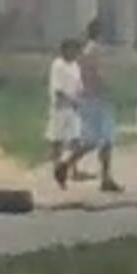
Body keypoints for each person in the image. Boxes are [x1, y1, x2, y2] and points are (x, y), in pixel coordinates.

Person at [54, 21, 123, 192]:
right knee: (105, 139)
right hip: (97, 99)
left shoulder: (86, 52)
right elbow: (97, 76)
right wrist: (108, 88)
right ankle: (103, 177)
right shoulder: (96, 52)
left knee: (94, 140)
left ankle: (67, 164)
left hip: (89, 99)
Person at [47, 39, 83, 184]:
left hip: (74, 107)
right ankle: (56, 167)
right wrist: (70, 100)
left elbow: (79, 85)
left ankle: (74, 169)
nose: (75, 53)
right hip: (60, 107)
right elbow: (58, 90)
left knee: (76, 139)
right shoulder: (58, 65)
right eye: (72, 50)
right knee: (57, 139)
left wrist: (79, 99)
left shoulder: (75, 65)